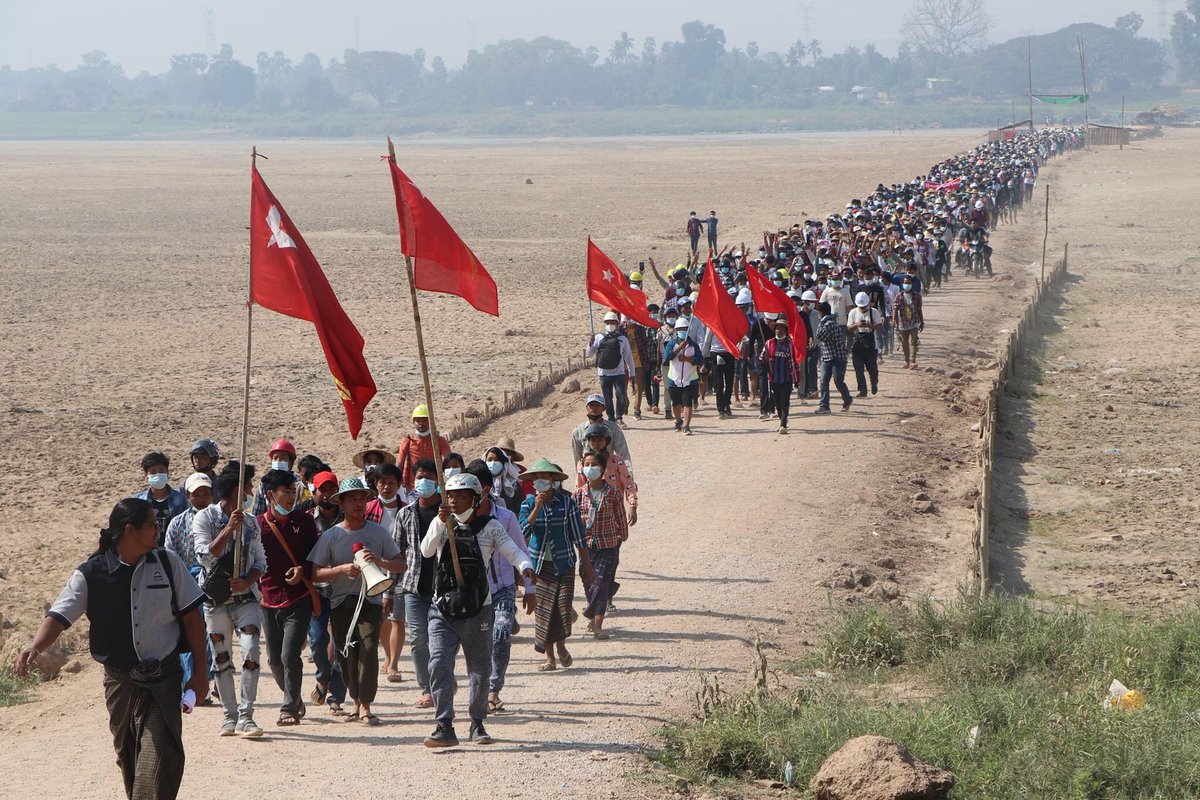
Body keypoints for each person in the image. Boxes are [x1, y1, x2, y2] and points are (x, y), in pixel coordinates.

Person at [16, 498, 208, 800]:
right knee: (129, 756)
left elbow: (193, 619)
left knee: (160, 754)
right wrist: (35, 647)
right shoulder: (90, 574)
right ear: (130, 531)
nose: (158, 530)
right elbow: (59, 616)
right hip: (121, 682)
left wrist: (200, 672)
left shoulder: (168, 563)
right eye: (151, 525)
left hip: (165, 678)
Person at [420, 473, 535, 747]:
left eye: (460, 496)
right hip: (442, 609)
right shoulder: (442, 523)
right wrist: (439, 522)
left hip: (478, 610)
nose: (454, 500)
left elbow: (512, 550)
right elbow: (426, 551)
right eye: (450, 495)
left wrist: (525, 567)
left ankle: (477, 722)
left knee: (479, 669)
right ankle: (444, 725)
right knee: (438, 664)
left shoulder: (490, 526)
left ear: (475, 498)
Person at [308, 477, 405, 726]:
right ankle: (355, 700)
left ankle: (366, 704)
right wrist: (341, 569)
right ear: (341, 502)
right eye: (352, 498)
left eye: (362, 498)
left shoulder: (378, 532)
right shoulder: (332, 536)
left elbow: (400, 563)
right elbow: (316, 573)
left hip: (371, 601)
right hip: (341, 603)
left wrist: (381, 563)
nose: (359, 503)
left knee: (370, 648)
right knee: (347, 653)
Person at [193, 466, 267, 737]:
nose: (250, 492)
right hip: (216, 602)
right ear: (235, 490)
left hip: (246, 599)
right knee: (221, 658)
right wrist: (227, 529)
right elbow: (204, 555)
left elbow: (261, 561)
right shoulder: (203, 518)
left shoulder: (252, 523)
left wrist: (248, 581)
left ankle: (247, 716)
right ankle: (229, 716)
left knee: (251, 652)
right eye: (247, 487)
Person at [463, 460, 536, 716]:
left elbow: (520, 551)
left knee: (501, 632)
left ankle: (493, 690)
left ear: (484, 488)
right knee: (477, 642)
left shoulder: (505, 517)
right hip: (472, 593)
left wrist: (529, 588)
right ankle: (479, 691)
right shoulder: (459, 520)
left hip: (503, 588)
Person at [256, 468, 321, 726]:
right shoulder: (256, 526)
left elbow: (317, 555)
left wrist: (302, 569)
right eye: (286, 492)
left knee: (289, 654)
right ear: (271, 494)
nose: (291, 497)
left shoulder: (304, 522)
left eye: (294, 491)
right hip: (267, 599)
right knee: (273, 660)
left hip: (299, 598)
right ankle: (293, 697)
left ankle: (288, 708)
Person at [520, 459, 594, 672]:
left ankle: (561, 645)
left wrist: (587, 566)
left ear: (553, 480)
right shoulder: (527, 504)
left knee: (562, 608)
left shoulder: (567, 503)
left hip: (564, 563)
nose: (540, 481)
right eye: (536, 478)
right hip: (540, 565)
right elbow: (523, 532)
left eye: (544, 477)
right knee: (544, 611)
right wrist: (537, 507)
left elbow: (578, 534)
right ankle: (550, 657)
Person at [388, 458, 441, 709]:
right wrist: (389, 591)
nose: (424, 482)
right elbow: (395, 554)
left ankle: (443, 679)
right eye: (420, 477)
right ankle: (428, 688)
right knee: (419, 637)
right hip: (412, 586)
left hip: (443, 588)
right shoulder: (405, 514)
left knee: (441, 639)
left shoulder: (447, 513)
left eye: (430, 478)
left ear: (438, 481)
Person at [165, 472, 213, 694]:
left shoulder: (220, 519)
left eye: (205, 494)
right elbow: (170, 555)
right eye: (197, 494)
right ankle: (190, 682)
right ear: (187, 496)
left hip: (213, 581)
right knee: (189, 633)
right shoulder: (177, 523)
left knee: (211, 631)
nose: (201, 498)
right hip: (186, 582)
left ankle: (210, 678)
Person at [574, 451, 628, 640]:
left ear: (603, 469)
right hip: (586, 545)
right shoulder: (579, 494)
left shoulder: (612, 493)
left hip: (608, 543)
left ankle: (597, 624)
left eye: (594, 465)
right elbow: (573, 520)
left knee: (602, 582)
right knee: (588, 580)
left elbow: (620, 515)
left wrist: (622, 535)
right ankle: (592, 609)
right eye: (586, 464)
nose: (590, 468)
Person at [306, 470, 347, 715]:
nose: (328, 494)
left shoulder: (347, 518)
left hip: (344, 589)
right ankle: (322, 676)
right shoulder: (307, 519)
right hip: (316, 589)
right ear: (314, 493)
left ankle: (336, 696)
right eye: (323, 489)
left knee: (342, 643)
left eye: (332, 489)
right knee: (318, 639)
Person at [366, 462, 406, 683]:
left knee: (397, 617)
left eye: (392, 482)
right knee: (382, 617)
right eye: (382, 482)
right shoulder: (367, 509)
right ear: (376, 484)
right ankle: (388, 655)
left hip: (400, 569)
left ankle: (393, 664)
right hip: (373, 570)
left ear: (399, 484)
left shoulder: (408, 509)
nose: (387, 487)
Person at [575, 423, 638, 530]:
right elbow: (578, 488)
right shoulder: (583, 463)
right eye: (593, 440)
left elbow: (629, 485)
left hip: (613, 509)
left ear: (607, 441)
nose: (596, 444)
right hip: (589, 511)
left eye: (600, 440)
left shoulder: (617, 461)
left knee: (613, 541)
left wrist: (632, 506)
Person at [586, 310, 636, 428]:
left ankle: (619, 417)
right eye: (608, 322)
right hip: (604, 374)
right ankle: (611, 418)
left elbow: (629, 357)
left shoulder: (622, 339)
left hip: (619, 373)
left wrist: (632, 373)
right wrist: (590, 343)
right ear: (605, 323)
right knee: (607, 398)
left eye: (612, 322)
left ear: (617, 323)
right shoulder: (598, 338)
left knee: (621, 395)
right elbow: (589, 354)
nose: (610, 324)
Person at [133, 452, 188, 546]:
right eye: (153, 472)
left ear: (167, 473)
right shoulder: (138, 501)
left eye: (162, 471)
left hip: (173, 550)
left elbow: (186, 527)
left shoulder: (180, 499)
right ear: (146, 475)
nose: (158, 475)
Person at [250, 438, 314, 515]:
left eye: (283, 458)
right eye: (275, 458)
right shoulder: (264, 483)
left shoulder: (299, 482)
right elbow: (258, 513)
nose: (278, 461)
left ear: (291, 462)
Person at [396, 404, 451, 492]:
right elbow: (400, 464)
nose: (421, 423)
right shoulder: (408, 440)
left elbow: (449, 461)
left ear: (430, 421)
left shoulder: (439, 441)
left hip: (434, 486)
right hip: (412, 488)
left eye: (425, 420)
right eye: (418, 420)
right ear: (413, 422)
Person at [664, 316, 703, 435]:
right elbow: (668, 357)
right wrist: (679, 348)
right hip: (674, 379)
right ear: (676, 330)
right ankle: (678, 420)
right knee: (676, 403)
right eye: (680, 328)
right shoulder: (671, 344)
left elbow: (699, 360)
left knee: (687, 403)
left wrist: (686, 359)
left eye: (685, 328)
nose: (682, 331)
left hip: (690, 379)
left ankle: (686, 426)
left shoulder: (694, 345)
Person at [570, 393, 632, 467]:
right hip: (589, 471)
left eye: (597, 405)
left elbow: (623, 453)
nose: (594, 407)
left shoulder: (613, 428)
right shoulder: (578, 431)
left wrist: (628, 474)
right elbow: (577, 457)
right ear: (587, 407)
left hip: (609, 471)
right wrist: (579, 474)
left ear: (603, 408)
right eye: (591, 405)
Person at [762, 317, 800, 434]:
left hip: (786, 378)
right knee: (777, 402)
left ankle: (783, 423)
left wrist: (796, 379)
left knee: (785, 401)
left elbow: (795, 362)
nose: (778, 330)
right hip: (774, 378)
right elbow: (761, 357)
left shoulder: (790, 345)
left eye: (781, 328)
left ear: (786, 330)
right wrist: (764, 358)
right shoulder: (769, 343)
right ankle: (782, 418)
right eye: (777, 328)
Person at [815, 301, 853, 414]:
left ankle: (847, 399)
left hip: (837, 357)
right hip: (826, 357)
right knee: (823, 381)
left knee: (838, 381)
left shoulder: (828, 324)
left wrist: (820, 324)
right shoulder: (826, 323)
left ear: (822, 312)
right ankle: (824, 405)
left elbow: (820, 336)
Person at [848, 291, 883, 396]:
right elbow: (849, 327)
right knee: (858, 369)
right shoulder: (853, 312)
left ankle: (874, 383)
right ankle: (862, 390)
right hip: (858, 343)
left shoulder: (874, 312)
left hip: (871, 344)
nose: (863, 309)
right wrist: (857, 325)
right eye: (861, 307)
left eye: (864, 307)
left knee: (872, 368)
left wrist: (869, 326)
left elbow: (879, 325)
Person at [894, 275, 925, 369]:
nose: (907, 285)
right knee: (904, 343)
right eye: (905, 283)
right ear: (902, 284)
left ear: (912, 284)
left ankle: (912, 361)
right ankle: (907, 361)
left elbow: (919, 309)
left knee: (913, 342)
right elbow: (895, 308)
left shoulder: (917, 296)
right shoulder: (899, 296)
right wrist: (894, 320)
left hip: (914, 322)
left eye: (909, 283)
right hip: (903, 323)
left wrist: (922, 322)